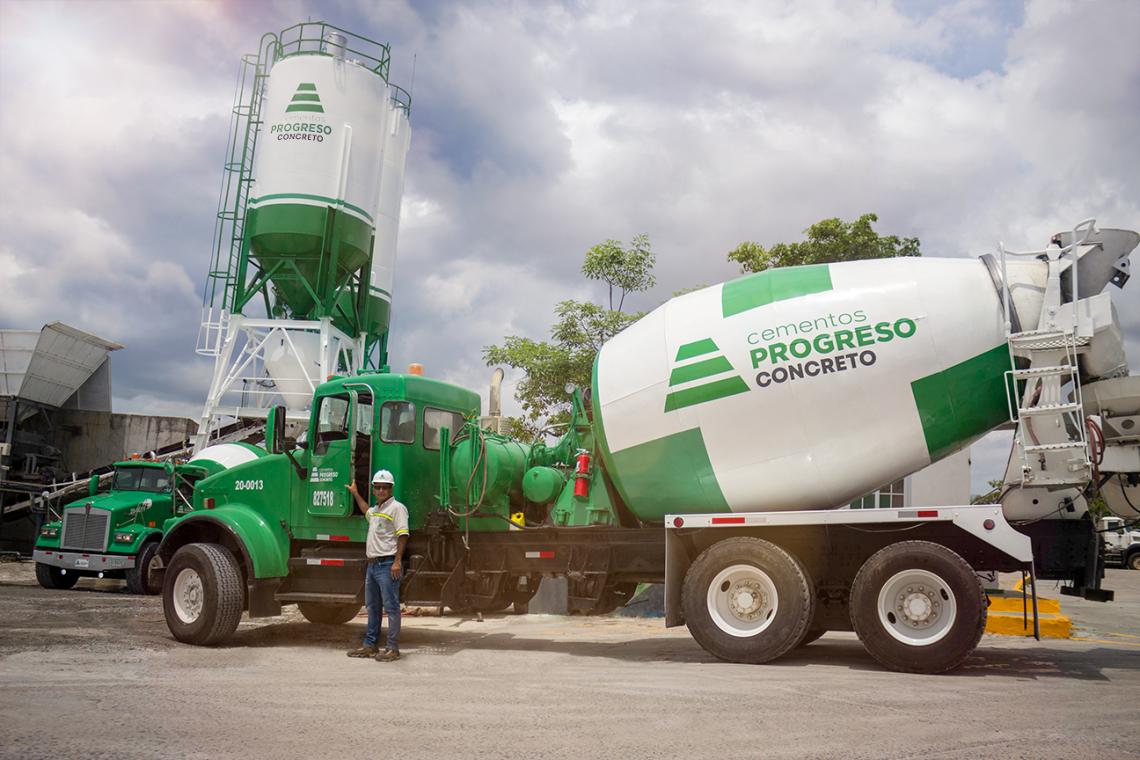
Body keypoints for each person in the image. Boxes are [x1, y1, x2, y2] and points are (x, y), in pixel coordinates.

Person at [345, 469, 409, 662]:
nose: (381, 490)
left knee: (391, 607)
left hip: (387, 564)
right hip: (372, 565)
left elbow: (403, 535)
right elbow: (366, 511)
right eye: (378, 487)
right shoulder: (377, 510)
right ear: (373, 489)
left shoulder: (397, 508)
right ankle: (370, 645)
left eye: (385, 487)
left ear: (391, 489)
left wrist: (397, 561)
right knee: (372, 607)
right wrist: (355, 493)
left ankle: (392, 648)